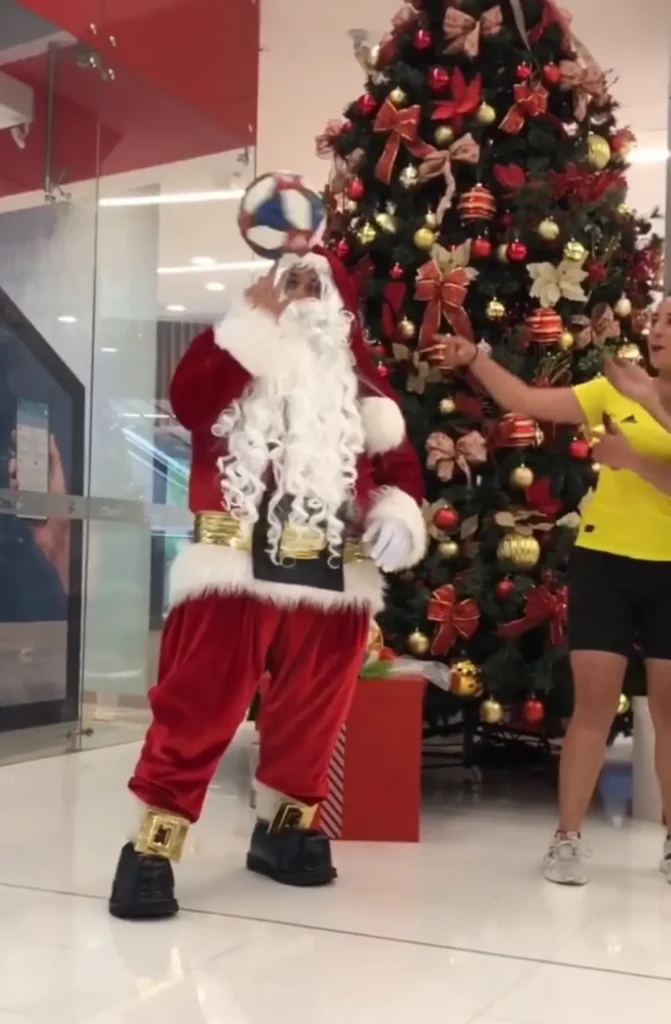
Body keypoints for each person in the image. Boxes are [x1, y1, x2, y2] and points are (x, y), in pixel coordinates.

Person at [109, 247, 426, 919]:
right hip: (235, 567)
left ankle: (285, 833)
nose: (303, 294)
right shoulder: (226, 351)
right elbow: (192, 404)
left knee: (314, 713)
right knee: (199, 707)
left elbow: (397, 466)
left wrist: (398, 514)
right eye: (291, 281)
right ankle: (152, 846)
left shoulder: (358, 383)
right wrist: (251, 319)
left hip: (336, 573)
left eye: (317, 282)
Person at [431, 296, 671, 886]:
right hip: (605, 561)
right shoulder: (612, 388)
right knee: (591, 706)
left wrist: (638, 444)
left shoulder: (638, 393)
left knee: (670, 714)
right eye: (660, 319)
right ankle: (567, 839)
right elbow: (522, 400)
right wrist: (475, 357)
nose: (660, 329)